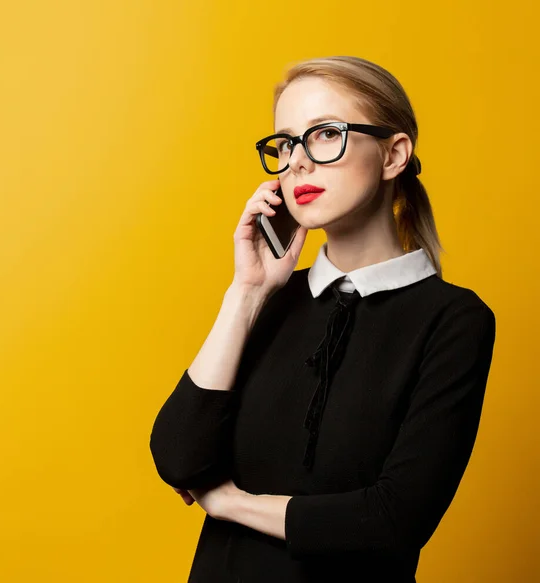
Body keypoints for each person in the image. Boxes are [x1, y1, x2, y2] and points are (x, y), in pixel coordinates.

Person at [149, 55, 496, 583]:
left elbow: (392, 520)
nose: (297, 164)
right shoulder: (268, 299)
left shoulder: (453, 321)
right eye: (286, 144)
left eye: (325, 134)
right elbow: (176, 458)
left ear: (393, 155)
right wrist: (247, 292)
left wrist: (229, 503)